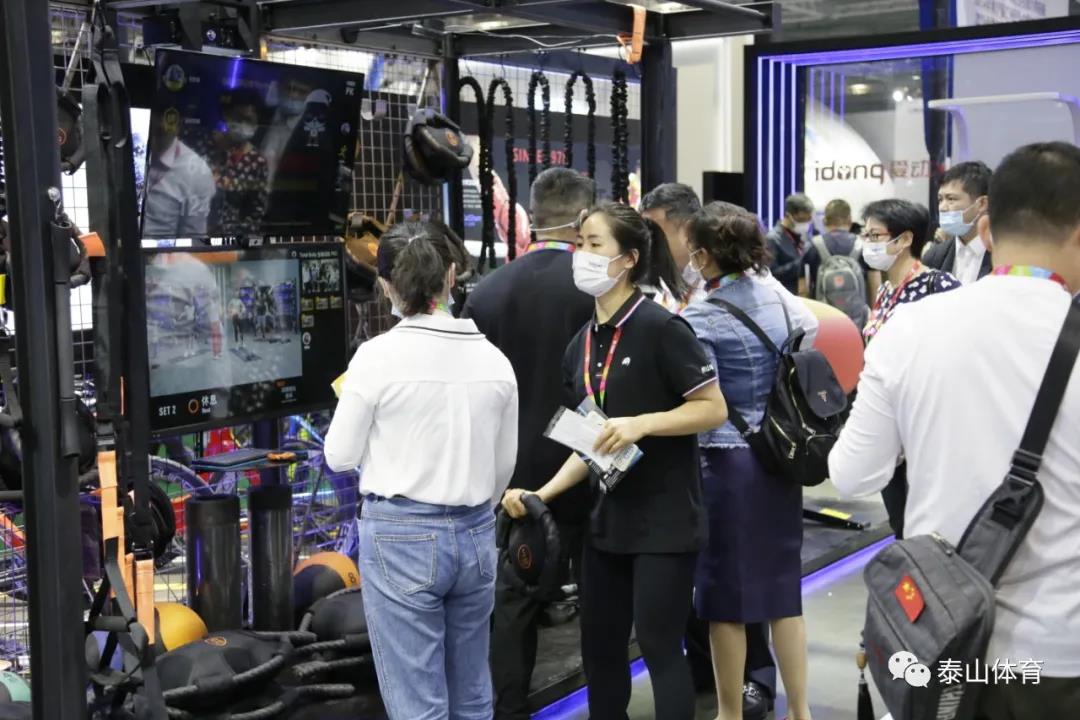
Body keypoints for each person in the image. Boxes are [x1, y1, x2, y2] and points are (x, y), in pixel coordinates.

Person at [829, 142, 1080, 720]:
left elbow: (852, 473)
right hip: (1055, 656)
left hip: (937, 640)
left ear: (986, 228)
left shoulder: (911, 326)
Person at [502, 203, 728, 720]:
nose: (581, 254)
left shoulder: (662, 329)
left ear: (628, 259)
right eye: (579, 243)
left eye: (594, 244)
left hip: (665, 523)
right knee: (600, 650)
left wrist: (642, 423)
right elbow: (590, 443)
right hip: (605, 525)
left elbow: (713, 408)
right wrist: (542, 494)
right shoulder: (579, 346)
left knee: (660, 646)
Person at [324, 220, 519, 720]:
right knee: (472, 691)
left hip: (400, 537)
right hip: (476, 531)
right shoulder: (495, 360)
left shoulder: (375, 358)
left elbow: (339, 455)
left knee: (417, 702)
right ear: (451, 275)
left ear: (385, 284)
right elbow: (503, 467)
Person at [642, 185, 814, 718]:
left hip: (727, 465)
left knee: (725, 602)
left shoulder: (701, 317)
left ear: (703, 255)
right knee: (783, 595)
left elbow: (701, 401)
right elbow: (809, 334)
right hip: (779, 458)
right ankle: (801, 710)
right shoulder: (780, 298)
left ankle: (729, 712)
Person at [461, 167, 596, 720]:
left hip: (511, 475)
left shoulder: (487, 292)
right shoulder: (598, 289)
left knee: (513, 606)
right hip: (587, 467)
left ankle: (510, 711)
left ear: (533, 217)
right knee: (601, 602)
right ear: (583, 218)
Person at [860, 199, 961, 537]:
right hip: (890, 428)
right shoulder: (886, 290)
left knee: (927, 529)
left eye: (875, 235)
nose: (868, 243)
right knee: (899, 522)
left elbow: (955, 358)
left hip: (925, 427)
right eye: (866, 235)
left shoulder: (939, 286)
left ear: (904, 239)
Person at [194, 89, 270, 238]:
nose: (242, 124)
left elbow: (255, 213)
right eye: (237, 118)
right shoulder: (202, 144)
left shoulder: (257, 162)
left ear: (257, 123)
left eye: (248, 120)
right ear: (226, 115)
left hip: (228, 241)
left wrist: (238, 242)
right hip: (191, 234)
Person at [143, 112, 215, 238]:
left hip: (161, 248)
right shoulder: (124, 150)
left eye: (160, 134)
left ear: (177, 127)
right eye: (148, 131)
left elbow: (193, 240)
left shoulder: (197, 172)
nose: (151, 141)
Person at [925, 160, 993, 284]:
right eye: (940, 200)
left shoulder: (1004, 254)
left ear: (982, 203)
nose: (942, 207)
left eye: (951, 199)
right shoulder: (934, 256)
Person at [800, 198, 875, 308]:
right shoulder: (863, 246)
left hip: (824, 315)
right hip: (857, 316)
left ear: (824, 221)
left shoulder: (813, 246)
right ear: (850, 220)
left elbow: (803, 290)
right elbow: (875, 286)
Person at [765, 193, 814, 294]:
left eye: (808, 219)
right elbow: (771, 274)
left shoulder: (806, 238)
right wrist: (801, 263)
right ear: (788, 216)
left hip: (805, 295)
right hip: (784, 295)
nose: (805, 223)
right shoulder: (772, 239)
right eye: (801, 219)